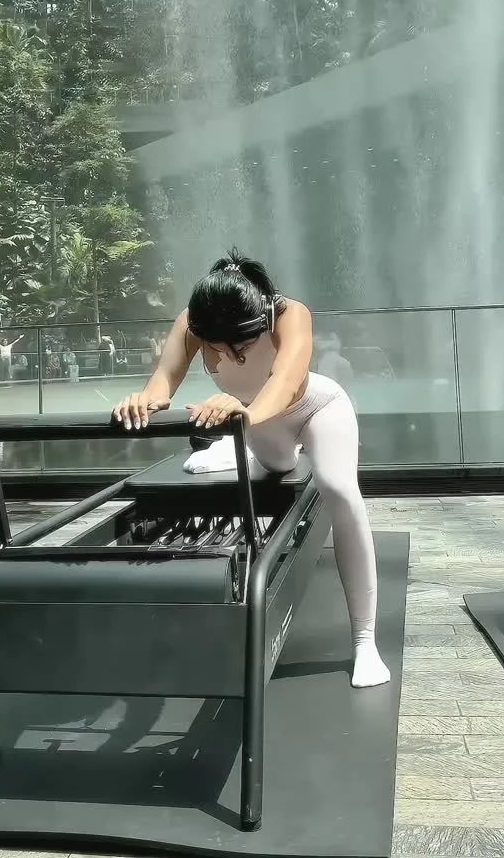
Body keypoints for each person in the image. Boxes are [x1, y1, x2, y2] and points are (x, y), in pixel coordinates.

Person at [113, 248, 390, 690]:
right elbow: (164, 382)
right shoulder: (193, 322)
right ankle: (235, 448)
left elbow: (286, 380)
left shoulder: (288, 313)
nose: (229, 356)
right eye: (215, 349)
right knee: (279, 465)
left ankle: (365, 640)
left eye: (240, 347)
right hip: (257, 424)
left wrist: (243, 415)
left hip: (314, 407)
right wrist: (141, 401)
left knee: (338, 487)